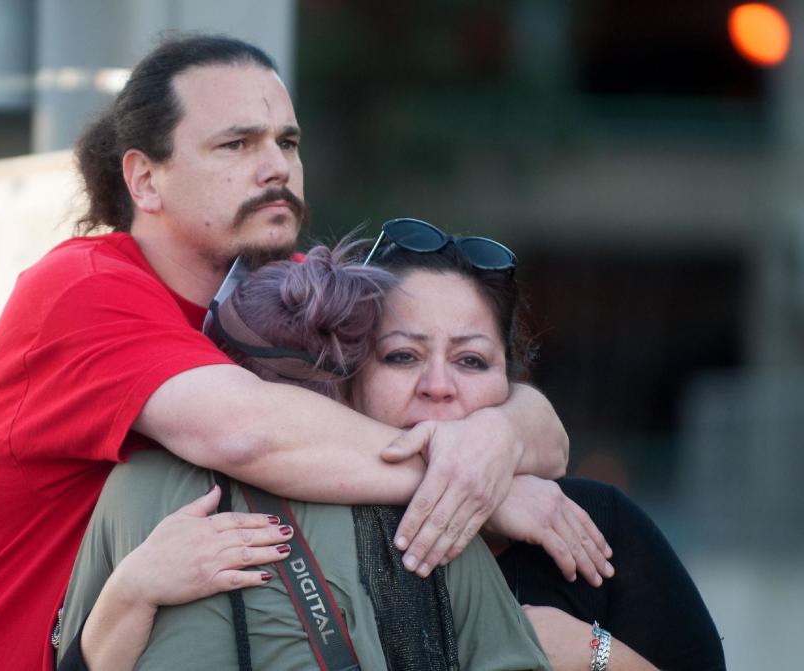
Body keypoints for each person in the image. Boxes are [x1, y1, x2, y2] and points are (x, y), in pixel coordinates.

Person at [0, 35, 571, 671]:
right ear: (145, 180)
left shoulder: (295, 295)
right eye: (235, 144)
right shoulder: (80, 288)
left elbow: (532, 420)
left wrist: (491, 443)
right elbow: (247, 433)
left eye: (287, 141)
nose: (276, 165)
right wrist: (470, 484)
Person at [60, 221, 724, 671]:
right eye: (402, 356)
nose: (439, 388)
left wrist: (585, 652)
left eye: (471, 362)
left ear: (507, 379)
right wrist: (134, 590)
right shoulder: (225, 501)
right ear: (346, 373)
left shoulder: (586, 525)